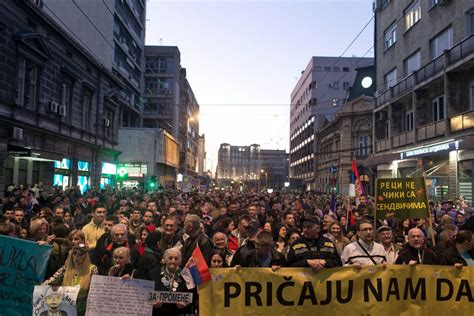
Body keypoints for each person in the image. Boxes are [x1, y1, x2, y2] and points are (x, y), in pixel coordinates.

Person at [44, 243, 98, 315]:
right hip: (66, 308)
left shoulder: (92, 269)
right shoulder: (66, 267)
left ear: (86, 256)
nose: (76, 256)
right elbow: (54, 278)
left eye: (80, 254)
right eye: (74, 253)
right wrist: (47, 282)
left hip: (81, 310)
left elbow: (95, 291)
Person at [149, 248, 194, 316]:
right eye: (170, 258)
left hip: (178, 313)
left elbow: (192, 295)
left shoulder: (186, 275)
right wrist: (152, 303)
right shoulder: (154, 274)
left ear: (180, 261)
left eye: (176, 258)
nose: (173, 261)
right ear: (164, 259)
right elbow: (146, 293)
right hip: (159, 313)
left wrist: (186, 304)